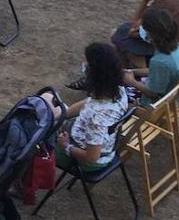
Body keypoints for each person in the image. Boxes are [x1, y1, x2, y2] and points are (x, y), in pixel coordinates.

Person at [43, 43, 129, 174]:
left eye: (87, 63)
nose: (84, 64)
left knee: (30, 140)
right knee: (48, 98)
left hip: (84, 160)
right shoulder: (118, 91)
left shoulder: (96, 116)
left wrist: (66, 146)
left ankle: (18, 185)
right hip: (93, 141)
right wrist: (59, 117)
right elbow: (86, 103)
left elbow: (91, 158)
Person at [122, 9, 179, 106]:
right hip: (173, 98)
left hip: (157, 106)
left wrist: (132, 82)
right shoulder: (176, 48)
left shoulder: (159, 61)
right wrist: (132, 71)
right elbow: (158, 72)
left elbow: (153, 93)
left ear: (150, 34)